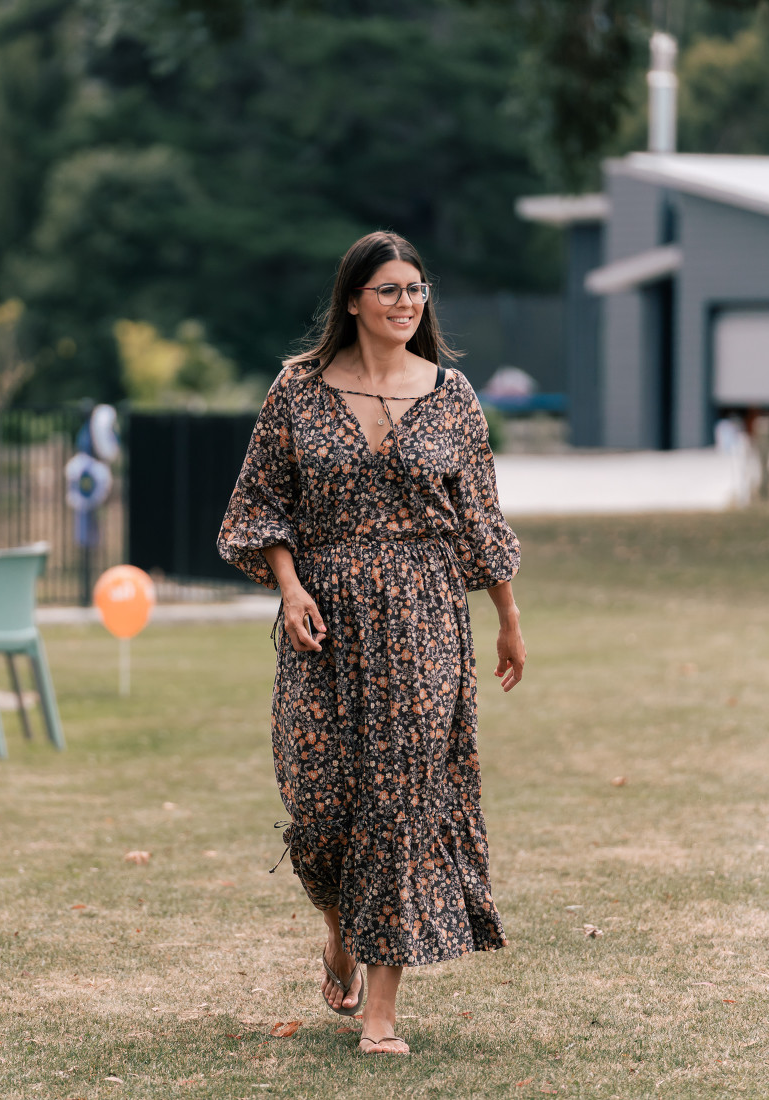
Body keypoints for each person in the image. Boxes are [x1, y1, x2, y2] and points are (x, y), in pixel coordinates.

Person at [218, 230, 526, 1055]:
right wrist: (289, 586)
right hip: (323, 618)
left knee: (399, 807)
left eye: (416, 289)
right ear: (353, 299)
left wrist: (508, 617)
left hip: (426, 617)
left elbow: (482, 517)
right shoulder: (298, 389)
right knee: (318, 805)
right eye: (389, 289)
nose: (405, 303)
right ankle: (339, 930)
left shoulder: (452, 395)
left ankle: (382, 1013)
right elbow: (259, 503)